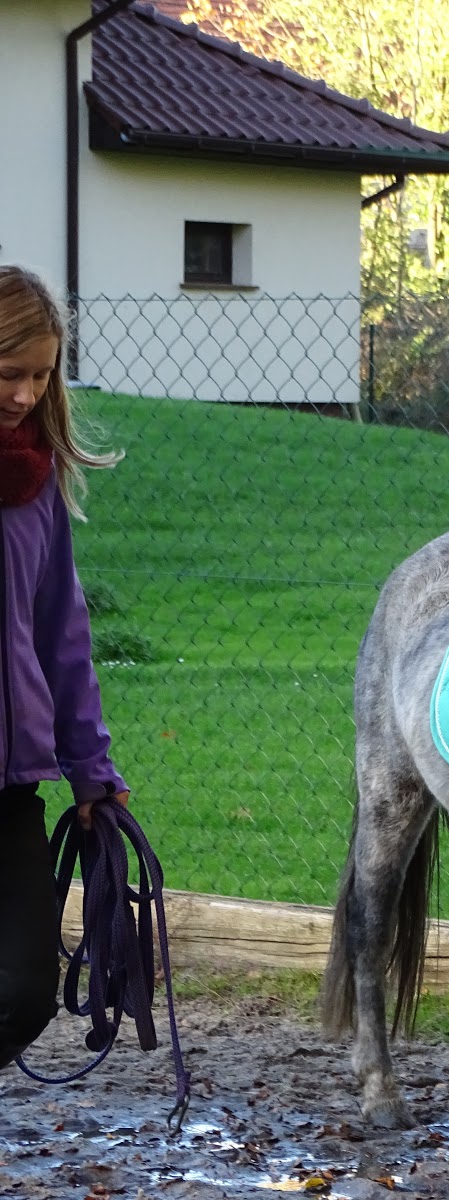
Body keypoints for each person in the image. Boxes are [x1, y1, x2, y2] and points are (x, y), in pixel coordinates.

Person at [0, 265, 130, 1068]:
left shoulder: (37, 485)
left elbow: (62, 634)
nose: (25, 393)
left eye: (41, 375)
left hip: (13, 783)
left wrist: (91, 768)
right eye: (9, 372)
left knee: (23, 991)